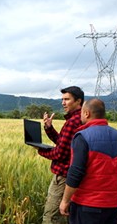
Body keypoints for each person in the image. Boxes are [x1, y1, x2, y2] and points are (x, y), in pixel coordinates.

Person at [59, 98, 117, 224]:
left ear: (87, 113)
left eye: (81, 112)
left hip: (86, 205)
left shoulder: (82, 137)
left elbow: (76, 173)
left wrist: (65, 201)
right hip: (112, 205)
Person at [38, 86, 84, 224]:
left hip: (64, 176)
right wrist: (49, 128)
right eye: (62, 99)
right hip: (75, 176)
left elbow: (60, 153)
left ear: (78, 101)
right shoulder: (80, 119)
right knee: (69, 216)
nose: (63, 103)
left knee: (51, 217)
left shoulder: (72, 122)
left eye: (67, 99)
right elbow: (62, 143)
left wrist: (40, 150)